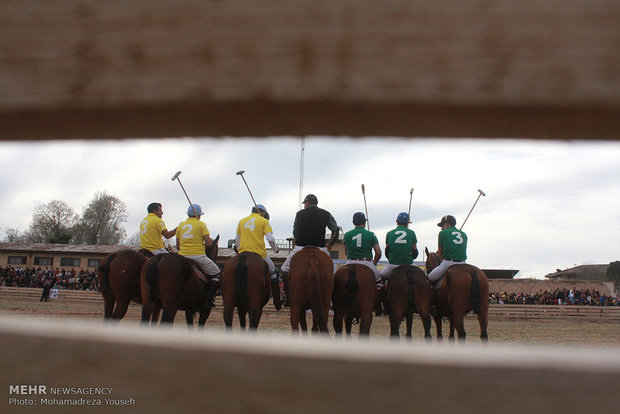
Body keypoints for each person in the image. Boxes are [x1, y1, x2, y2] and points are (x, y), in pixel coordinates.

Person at [280, 194, 339, 303]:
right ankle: (331, 300)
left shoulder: (299, 214)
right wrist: (330, 243)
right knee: (331, 272)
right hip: (320, 248)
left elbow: (295, 231)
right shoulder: (326, 214)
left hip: (300, 247)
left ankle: (288, 295)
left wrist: (297, 241)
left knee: (284, 269)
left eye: (305, 204)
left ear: (307, 203)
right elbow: (335, 230)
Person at [235, 204, 281, 303]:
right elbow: (270, 239)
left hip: (242, 252)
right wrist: (275, 249)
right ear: (262, 212)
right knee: (274, 272)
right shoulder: (264, 221)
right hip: (259, 254)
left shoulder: (242, 221)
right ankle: (277, 301)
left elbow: (237, 240)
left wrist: (239, 250)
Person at [176, 204, 221, 304]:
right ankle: (209, 298)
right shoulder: (201, 224)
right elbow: (209, 244)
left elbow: (178, 247)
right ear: (199, 215)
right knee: (218, 274)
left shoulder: (181, 226)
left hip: (181, 256)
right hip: (197, 256)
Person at [343, 212, 382, 287]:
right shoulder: (371, 234)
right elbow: (378, 253)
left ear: (353, 222)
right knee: (379, 280)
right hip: (366, 263)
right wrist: (375, 262)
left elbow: (346, 252)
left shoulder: (347, 234)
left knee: (337, 279)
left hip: (350, 262)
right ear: (364, 222)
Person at [427, 215, 468, 285]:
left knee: (429, 278)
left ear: (447, 224)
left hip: (448, 263)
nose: (441, 229)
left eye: (442, 226)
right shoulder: (464, 234)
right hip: (463, 263)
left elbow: (440, 254)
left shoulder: (442, 233)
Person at [380, 212, 418, 280]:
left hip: (392, 265)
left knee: (380, 278)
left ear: (397, 222)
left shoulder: (389, 233)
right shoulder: (412, 233)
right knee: (422, 277)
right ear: (407, 223)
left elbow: (387, 252)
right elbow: (415, 252)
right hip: (408, 264)